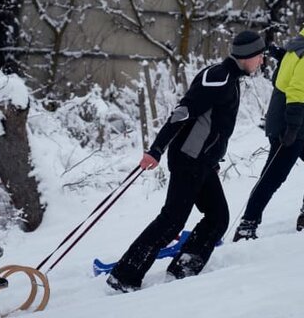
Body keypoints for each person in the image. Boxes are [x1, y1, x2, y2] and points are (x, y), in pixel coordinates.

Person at [107, 30, 266, 292]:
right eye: (259, 56)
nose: (261, 61)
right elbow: (182, 113)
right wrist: (156, 149)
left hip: (202, 161)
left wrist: (214, 157)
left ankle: (183, 270)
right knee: (172, 220)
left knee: (217, 218)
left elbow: (213, 127)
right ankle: (124, 276)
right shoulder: (218, 79)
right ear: (247, 56)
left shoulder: (228, 78)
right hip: (189, 159)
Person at [233, 13, 304, 241]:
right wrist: (292, 127)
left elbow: (290, 73)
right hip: (293, 125)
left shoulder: (301, 47)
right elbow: (297, 90)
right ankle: (246, 227)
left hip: (302, 127)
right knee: (273, 176)